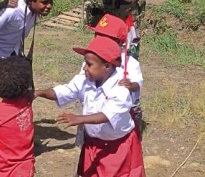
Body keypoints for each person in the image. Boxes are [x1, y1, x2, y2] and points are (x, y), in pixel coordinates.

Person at [35, 36, 145, 177]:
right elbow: (64, 91)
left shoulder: (120, 88)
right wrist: (40, 93)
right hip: (93, 142)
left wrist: (79, 119)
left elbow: (106, 115)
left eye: (89, 64)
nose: (85, 68)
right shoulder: (84, 81)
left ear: (107, 66)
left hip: (116, 147)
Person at [83, 14, 144, 139]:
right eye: (97, 35)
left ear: (118, 42)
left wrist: (131, 85)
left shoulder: (129, 63)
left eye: (103, 37)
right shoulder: (91, 60)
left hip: (119, 118)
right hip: (93, 113)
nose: (97, 39)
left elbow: (137, 84)